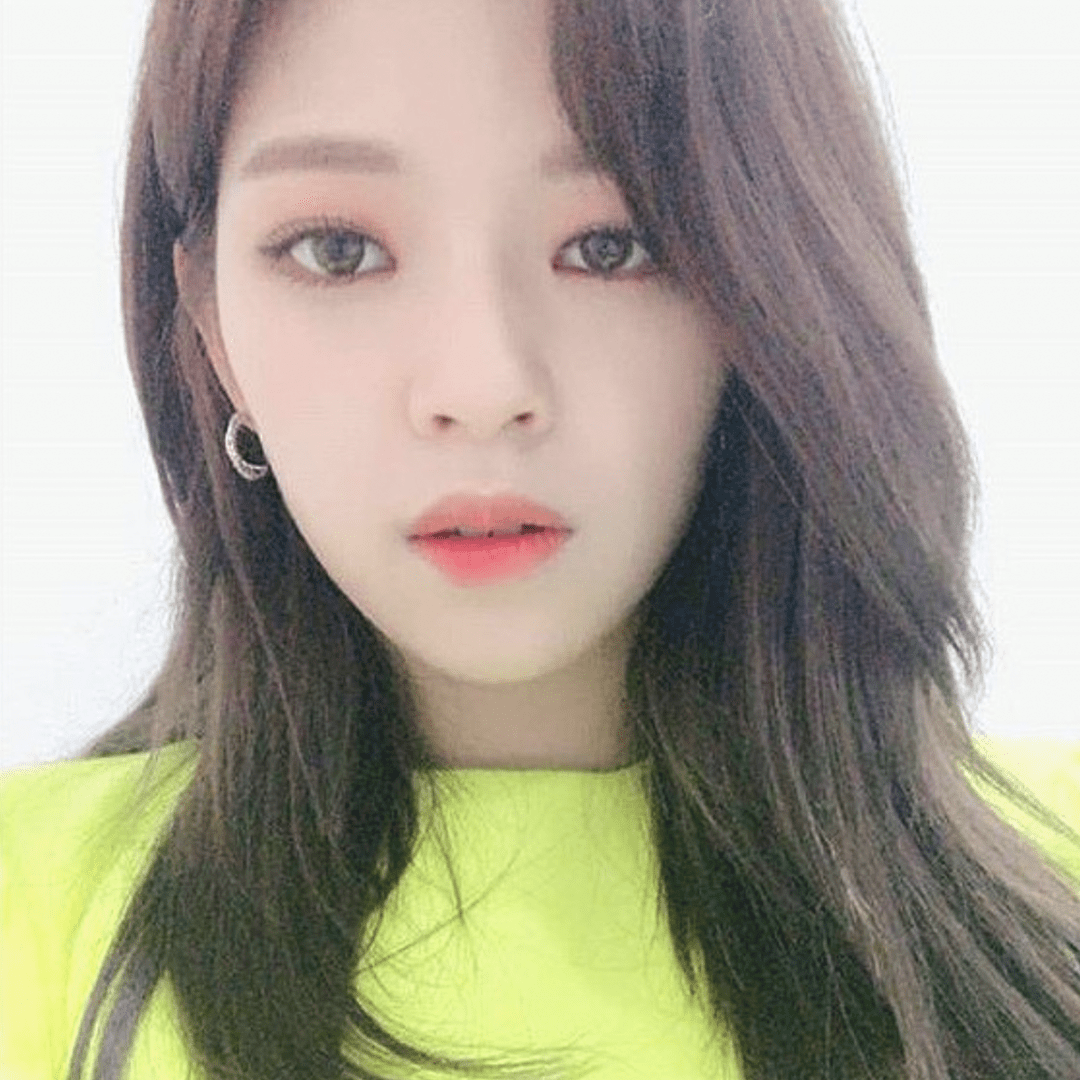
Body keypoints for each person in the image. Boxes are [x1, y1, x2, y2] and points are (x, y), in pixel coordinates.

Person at [1, 0, 1078, 1078]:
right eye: (339, 250)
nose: (483, 386)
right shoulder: (30, 906)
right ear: (214, 331)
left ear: (774, 290)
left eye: (612, 246)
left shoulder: (1059, 880)